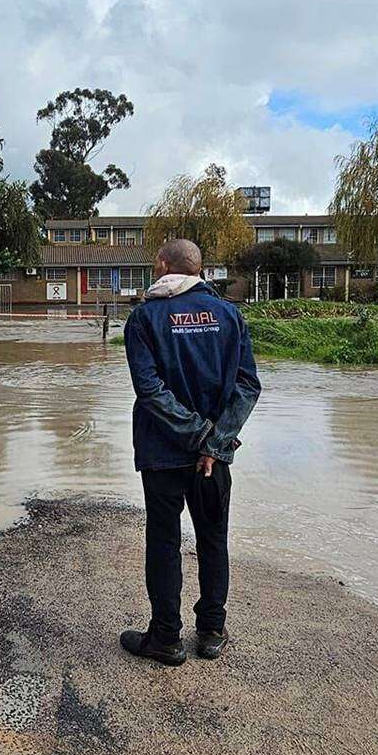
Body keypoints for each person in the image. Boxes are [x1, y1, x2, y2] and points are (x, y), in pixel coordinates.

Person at [119, 238, 261, 666]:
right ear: (200, 270)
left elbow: (150, 392)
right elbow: (247, 385)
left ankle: (166, 638)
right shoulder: (230, 315)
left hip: (164, 454)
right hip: (213, 460)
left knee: (164, 542)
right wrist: (215, 443)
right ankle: (212, 631)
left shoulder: (144, 318)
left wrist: (198, 437)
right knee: (213, 538)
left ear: (163, 265)